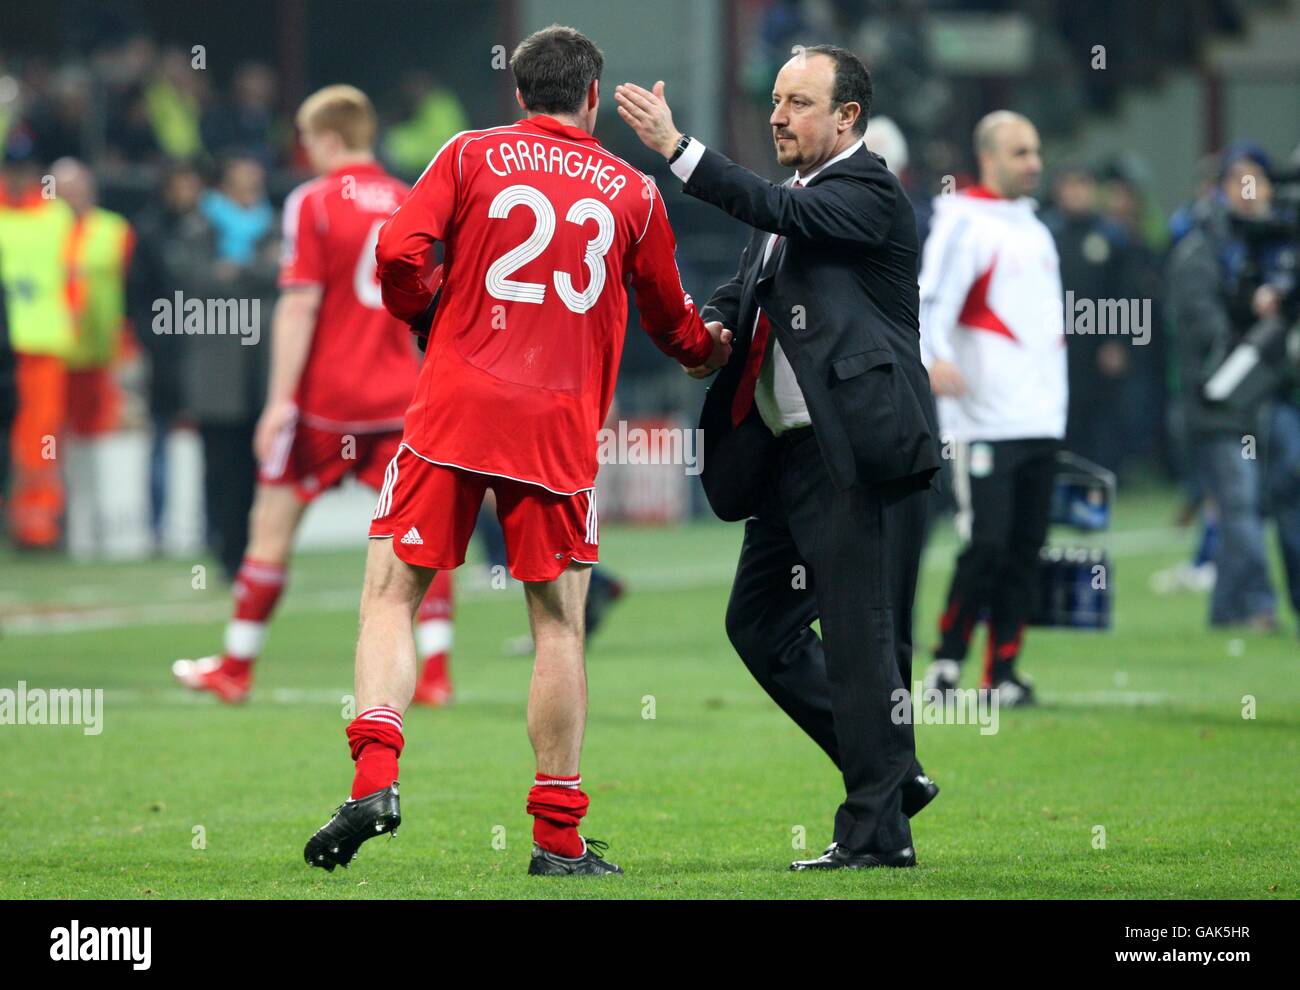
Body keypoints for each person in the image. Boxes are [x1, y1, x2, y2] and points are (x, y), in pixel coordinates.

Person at [302, 26, 731, 877]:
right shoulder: (634, 193)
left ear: (519, 91)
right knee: (556, 626)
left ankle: (376, 780)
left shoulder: (468, 155)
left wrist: (424, 310)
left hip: (454, 406)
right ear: (595, 98)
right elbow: (672, 322)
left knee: (391, 594)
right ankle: (558, 840)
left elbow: (397, 252)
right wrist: (708, 350)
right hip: (557, 428)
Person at [616, 45, 941, 871]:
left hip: (853, 453)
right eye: (775, 99)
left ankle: (874, 832)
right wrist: (711, 332)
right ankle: (889, 772)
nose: (778, 115)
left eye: (799, 102)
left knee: (863, 643)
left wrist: (677, 149)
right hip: (789, 456)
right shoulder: (795, 199)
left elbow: (777, 217)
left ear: (847, 118)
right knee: (758, 624)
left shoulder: (866, 189)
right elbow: (753, 284)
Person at [171, 88, 455, 707]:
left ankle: (236, 667)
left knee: (269, 525)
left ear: (325, 138)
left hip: (327, 402)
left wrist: (278, 401)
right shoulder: (411, 197)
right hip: (402, 399)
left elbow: (299, 305)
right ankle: (436, 673)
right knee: (418, 533)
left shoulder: (313, 201)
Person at [917, 111, 1066, 706]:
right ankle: (947, 664)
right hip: (983, 419)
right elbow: (930, 303)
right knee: (986, 545)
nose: (1034, 162)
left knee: (1027, 547)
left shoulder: (1034, 226)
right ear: (989, 158)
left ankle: (1003, 670)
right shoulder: (963, 223)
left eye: (1035, 151)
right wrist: (933, 359)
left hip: (1040, 416)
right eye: (1021, 152)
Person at [1166, 143, 1289, 631]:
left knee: (1256, 504)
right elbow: (1204, 330)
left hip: (1268, 396)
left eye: (1256, 180)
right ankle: (1259, 604)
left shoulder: (1276, 245)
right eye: (1239, 180)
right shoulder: (1203, 248)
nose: (1249, 191)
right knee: (1238, 503)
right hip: (1219, 401)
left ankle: (1226, 610)